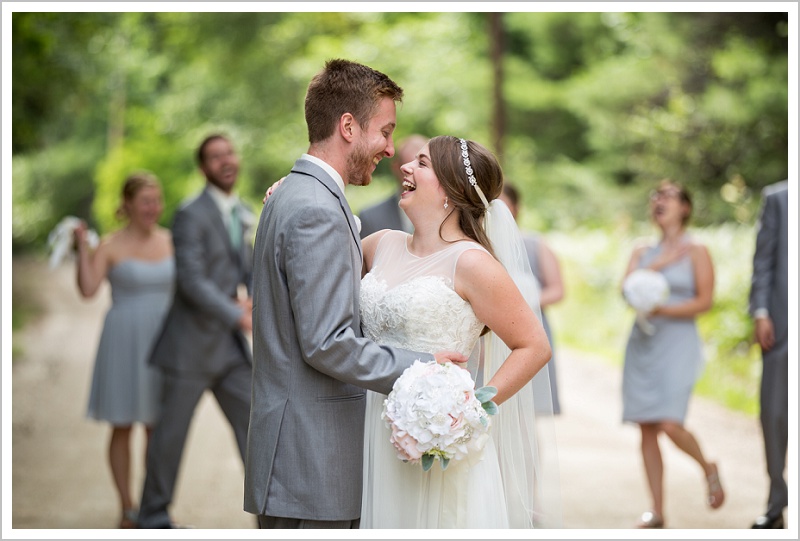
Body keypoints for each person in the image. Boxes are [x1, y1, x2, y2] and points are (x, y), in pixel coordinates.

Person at [245, 59, 467, 529]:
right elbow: (326, 342)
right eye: (385, 132)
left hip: (300, 460)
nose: (390, 149)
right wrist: (422, 367)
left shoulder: (296, 197)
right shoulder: (314, 209)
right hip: (311, 463)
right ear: (348, 126)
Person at [360, 136, 559, 528]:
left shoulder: (471, 263)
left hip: (436, 439)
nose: (405, 168)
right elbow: (322, 243)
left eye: (421, 163)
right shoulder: (379, 244)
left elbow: (534, 346)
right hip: (370, 426)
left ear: (451, 190)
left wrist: (469, 409)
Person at [137, 134, 255, 529]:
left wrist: (260, 306)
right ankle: (152, 518)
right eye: (215, 157)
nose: (226, 161)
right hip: (188, 348)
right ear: (203, 168)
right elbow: (191, 280)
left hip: (230, 352)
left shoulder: (244, 211)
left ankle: (271, 519)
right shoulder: (190, 213)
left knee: (257, 429)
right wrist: (235, 314)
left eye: (229, 153)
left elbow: (250, 273)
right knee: (168, 441)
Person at [620, 179, 724, 528]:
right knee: (647, 427)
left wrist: (661, 310)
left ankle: (707, 466)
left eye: (668, 195)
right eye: (655, 195)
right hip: (643, 343)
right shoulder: (640, 250)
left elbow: (704, 302)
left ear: (685, 208)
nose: (658, 200)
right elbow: (627, 291)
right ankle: (657, 510)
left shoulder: (697, 250)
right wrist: (659, 262)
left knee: (669, 422)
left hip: (678, 342)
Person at [73, 172, 174, 529]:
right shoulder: (111, 246)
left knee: (156, 428)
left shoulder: (171, 241)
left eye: (157, 200)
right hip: (123, 341)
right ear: (127, 204)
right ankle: (127, 506)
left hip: (162, 342)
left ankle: (153, 503)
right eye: (146, 201)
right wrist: (82, 249)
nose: (153, 208)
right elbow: (87, 289)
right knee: (122, 425)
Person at [499, 182, 565, 415]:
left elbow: (557, 290)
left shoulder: (536, 244)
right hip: (494, 332)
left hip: (532, 324)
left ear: (516, 208)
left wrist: (524, 302)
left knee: (529, 407)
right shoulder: (480, 246)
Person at [748, 180, 788, 529]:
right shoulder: (778, 197)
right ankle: (776, 501)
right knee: (773, 414)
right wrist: (760, 311)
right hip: (782, 324)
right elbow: (763, 261)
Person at [358, 133, 428, 238]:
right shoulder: (370, 217)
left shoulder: (449, 217)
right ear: (396, 167)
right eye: (407, 167)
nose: (413, 175)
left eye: (421, 166)